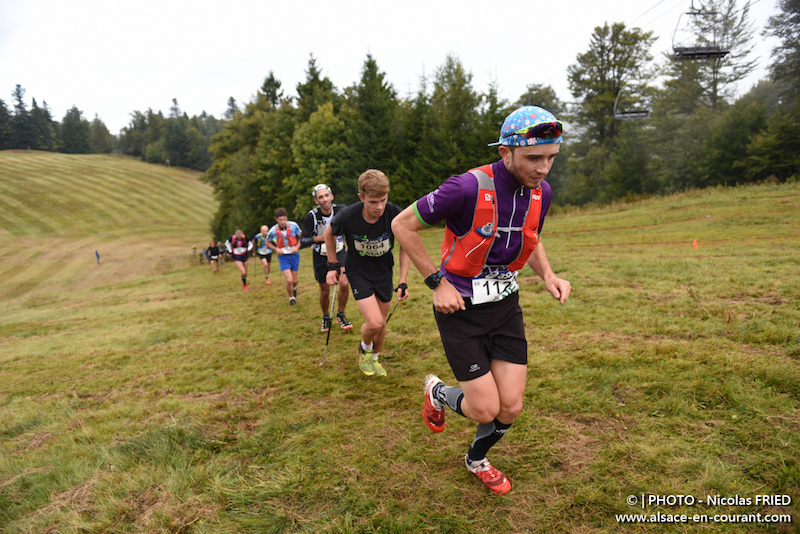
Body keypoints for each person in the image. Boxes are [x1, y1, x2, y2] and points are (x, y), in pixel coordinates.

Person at [392, 106, 572, 495]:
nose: (543, 168)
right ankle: (437, 392)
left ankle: (477, 459)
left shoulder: (542, 192)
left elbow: (531, 238)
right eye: (533, 158)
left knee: (511, 407)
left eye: (551, 158)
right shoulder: (467, 187)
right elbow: (401, 225)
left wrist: (550, 276)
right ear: (506, 152)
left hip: (506, 307)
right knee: (484, 408)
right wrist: (436, 282)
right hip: (459, 309)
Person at [325, 169, 410, 377]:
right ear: (361, 197)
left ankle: (374, 359)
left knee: (382, 327)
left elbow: (407, 244)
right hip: (358, 271)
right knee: (375, 322)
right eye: (373, 202)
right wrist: (332, 265)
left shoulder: (394, 213)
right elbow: (329, 233)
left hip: (383, 271)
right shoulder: (348, 215)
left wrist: (403, 280)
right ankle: (364, 348)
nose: (379, 206)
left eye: (383, 199)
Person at [301, 184, 353, 332]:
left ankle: (341, 314)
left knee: (344, 283)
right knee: (325, 291)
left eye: (326, 195)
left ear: (331, 196)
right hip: (320, 255)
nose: (325, 199)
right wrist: (318, 239)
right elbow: (302, 241)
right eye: (320, 197)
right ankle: (325, 317)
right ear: (316, 201)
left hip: (339, 250)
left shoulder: (341, 210)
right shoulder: (312, 216)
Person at [267, 208, 302, 306]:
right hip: (283, 256)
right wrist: (276, 249)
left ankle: (294, 288)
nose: (282, 222)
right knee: (289, 280)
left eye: (284, 219)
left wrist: (297, 247)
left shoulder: (294, 226)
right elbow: (267, 242)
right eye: (280, 220)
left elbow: (302, 237)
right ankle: (291, 298)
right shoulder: (273, 230)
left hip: (294, 254)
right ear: (276, 219)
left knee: (294, 281)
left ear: (287, 218)